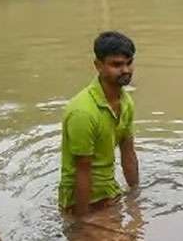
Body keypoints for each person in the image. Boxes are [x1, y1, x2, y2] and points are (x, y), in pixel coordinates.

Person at [59, 31, 139, 218]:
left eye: (129, 63)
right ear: (98, 66)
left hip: (110, 192)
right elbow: (82, 170)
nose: (126, 70)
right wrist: (82, 223)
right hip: (81, 202)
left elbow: (128, 153)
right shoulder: (83, 112)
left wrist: (135, 200)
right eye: (117, 65)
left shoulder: (125, 101)